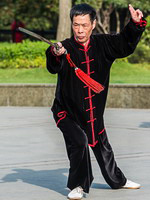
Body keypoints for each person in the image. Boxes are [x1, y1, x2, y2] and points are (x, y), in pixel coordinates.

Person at [46, 3, 147, 200]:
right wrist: (54, 53)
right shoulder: (64, 47)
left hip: (93, 112)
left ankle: (118, 180)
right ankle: (77, 185)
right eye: (76, 25)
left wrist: (135, 24)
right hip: (67, 112)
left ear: (93, 24)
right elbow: (53, 66)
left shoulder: (104, 44)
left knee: (102, 146)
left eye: (84, 25)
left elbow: (124, 43)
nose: (80, 30)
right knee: (80, 142)